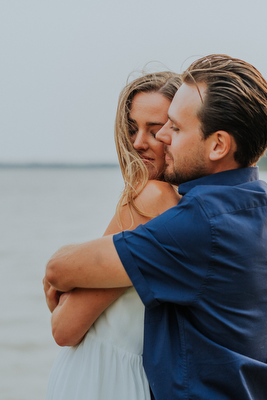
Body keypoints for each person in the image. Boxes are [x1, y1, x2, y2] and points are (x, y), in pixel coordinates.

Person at [44, 54, 267, 399]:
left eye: (171, 126)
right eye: (133, 128)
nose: (151, 139)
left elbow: (63, 318)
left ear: (217, 144)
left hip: (106, 380)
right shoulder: (265, 206)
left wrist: (57, 277)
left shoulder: (184, 215)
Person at [44, 71, 182, 399]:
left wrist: (60, 288)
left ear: (180, 129)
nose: (137, 143)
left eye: (155, 129)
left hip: (98, 376)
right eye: (132, 129)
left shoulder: (148, 199)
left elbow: (64, 329)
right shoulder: (185, 206)